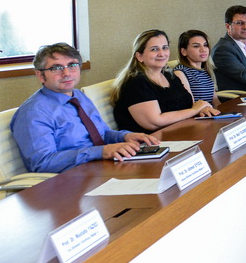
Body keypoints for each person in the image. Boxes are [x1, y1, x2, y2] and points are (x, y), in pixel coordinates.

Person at [11, 42, 158, 173]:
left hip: (102, 168)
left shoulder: (78, 96)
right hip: (70, 179)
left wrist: (125, 136)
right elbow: (42, 162)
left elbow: (102, 134)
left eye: (72, 65)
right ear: (41, 75)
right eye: (56, 68)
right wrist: (100, 152)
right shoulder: (33, 112)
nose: (66, 73)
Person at [113, 29, 219, 132]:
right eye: (154, 49)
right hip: (152, 140)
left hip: (183, 131)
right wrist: (194, 110)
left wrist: (202, 109)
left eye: (165, 48)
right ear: (139, 56)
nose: (162, 53)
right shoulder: (136, 83)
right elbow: (155, 122)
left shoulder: (170, 76)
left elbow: (188, 105)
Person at [175, 29, 218, 106]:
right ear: (184, 52)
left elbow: (216, 101)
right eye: (196, 46)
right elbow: (190, 104)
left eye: (205, 45)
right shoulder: (180, 72)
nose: (203, 49)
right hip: (197, 113)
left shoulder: (205, 71)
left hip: (211, 112)